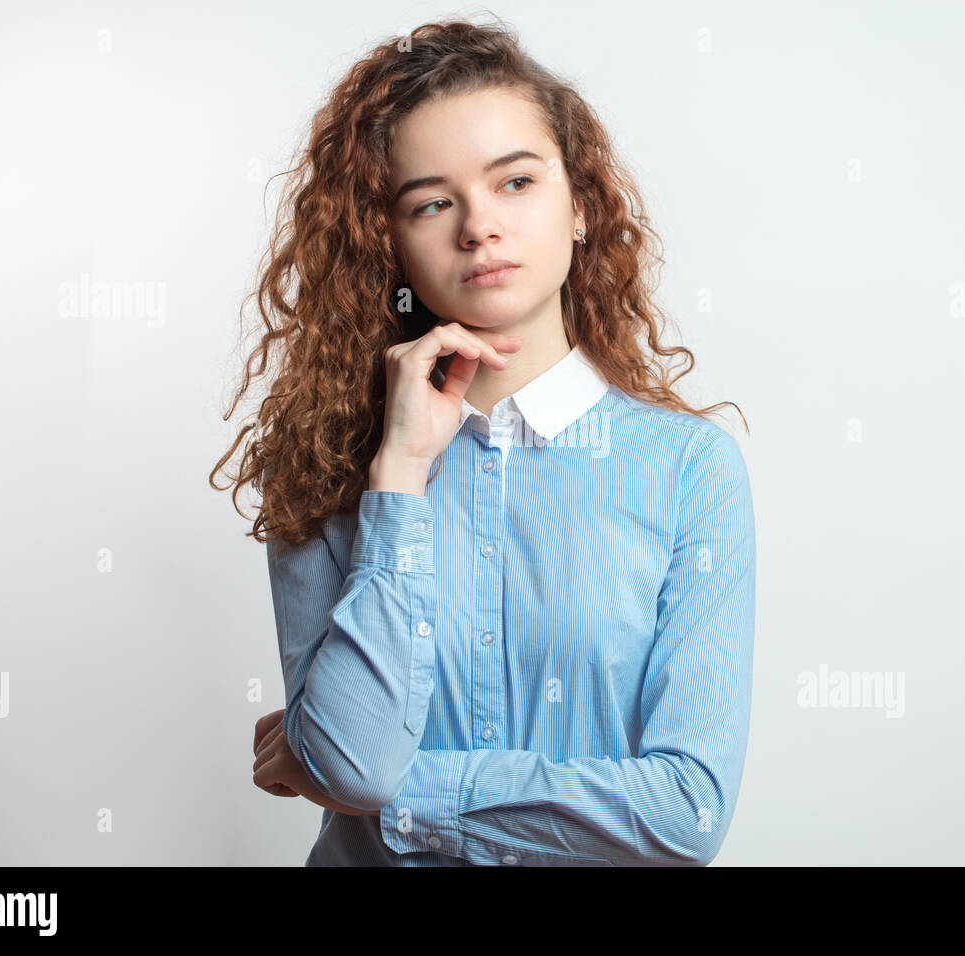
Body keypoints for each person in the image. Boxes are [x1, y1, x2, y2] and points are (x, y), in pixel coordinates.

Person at [212, 16, 756, 866]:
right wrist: (398, 474)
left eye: (515, 183)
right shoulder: (322, 464)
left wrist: (393, 787)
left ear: (579, 206)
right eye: (431, 202)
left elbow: (685, 812)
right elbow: (352, 764)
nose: (478, 227)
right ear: (386, 242)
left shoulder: (689, 471)